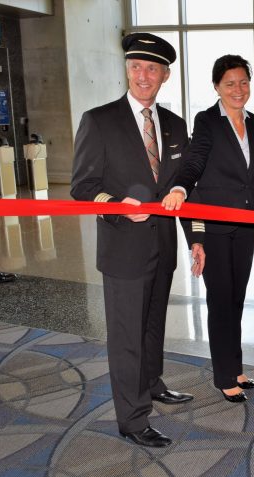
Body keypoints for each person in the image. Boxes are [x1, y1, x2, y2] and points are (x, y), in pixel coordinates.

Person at [70, 33, 194, 448]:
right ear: (127, 70)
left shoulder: (175, 126)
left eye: (153, 68)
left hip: (163, 247)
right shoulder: (99, 120)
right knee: (127, 335)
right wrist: (116, 204)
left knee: (153, 325)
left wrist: (183, 195)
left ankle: (153, 382)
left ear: (165, 75)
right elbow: (82, 187)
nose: (144, 75)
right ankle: (133, 418)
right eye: (137, 66)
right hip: (123, 249)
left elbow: (181, 182)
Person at [161, 54, 254, 403]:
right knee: (220, 300)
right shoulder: (207, 121)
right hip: (217, 227)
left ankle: (235, 367)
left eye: (244, 82)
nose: (239, 89)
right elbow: (195, 162)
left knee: (236, 298)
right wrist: (180, 188)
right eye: (230, 83)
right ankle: (224, 376)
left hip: (247, 226)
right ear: (217, 86)